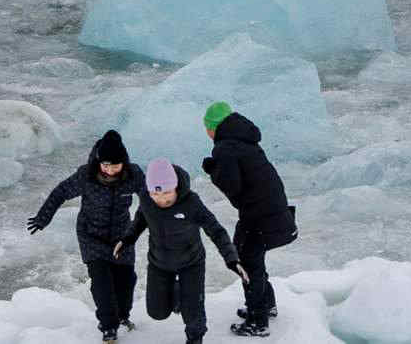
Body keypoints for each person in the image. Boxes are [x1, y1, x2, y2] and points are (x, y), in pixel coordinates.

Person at [114, 158, 247, 344]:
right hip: (159, 262)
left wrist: (231, 259)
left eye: (167, 192)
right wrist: (127, 239)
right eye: (155, 194)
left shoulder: (191, 202)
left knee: (193, 313)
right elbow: (140, 220)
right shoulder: (146, 198)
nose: (162, 199)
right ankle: (177, 291)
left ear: (176, 186)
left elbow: (216, 230)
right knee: (156, 313)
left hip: (191, 262)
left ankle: (195, 339)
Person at [28, 130, 144, 343]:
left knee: (126, 282)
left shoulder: (134, 175)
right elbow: (61, 192)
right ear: (99, 162)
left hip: (122, 236)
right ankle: (108, 327)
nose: (110, 171)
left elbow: (149, 199)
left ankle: (122, 317)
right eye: (106, 165)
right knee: (102, 283)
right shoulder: (86, 175)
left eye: (115, 166)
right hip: (92, 236)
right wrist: (43, 218)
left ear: (124, 163)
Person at [200, 101, 298, 338]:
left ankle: (258, 321)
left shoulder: (225, 148)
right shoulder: (246, 141)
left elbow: (232, 187)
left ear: (213, 127)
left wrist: (213, 170)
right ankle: (266, 305)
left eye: (207, 127)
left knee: (245, 263)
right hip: (274, 211)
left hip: (260, 217)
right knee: (253, 259)